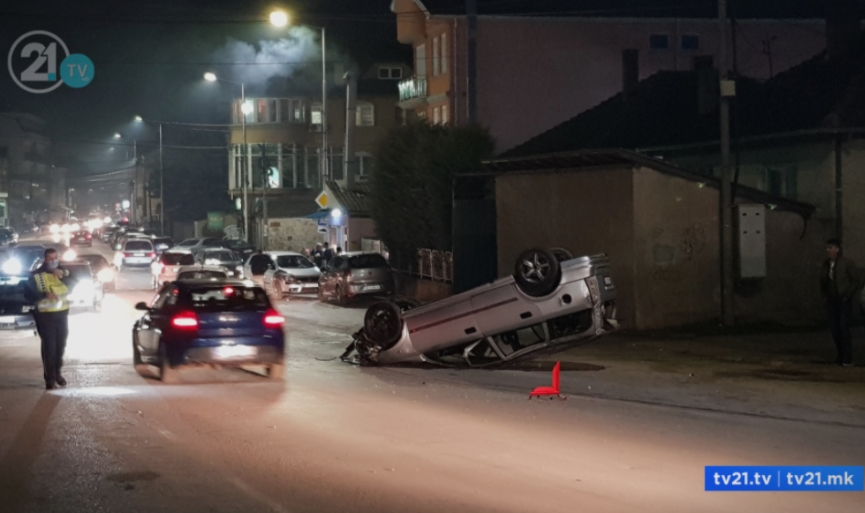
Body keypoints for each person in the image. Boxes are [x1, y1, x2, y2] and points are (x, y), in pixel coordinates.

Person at [26, 248, 71, 389]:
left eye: (55, 258)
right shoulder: (36, 275)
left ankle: (57, 374)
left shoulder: (62, 273)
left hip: (61, 315)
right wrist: (44, 295)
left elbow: (73, 281)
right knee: (50, 347)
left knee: (60, 346)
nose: (54, 261)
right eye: (51, 258)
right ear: (45, 259)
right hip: (45, 316)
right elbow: (28, 294)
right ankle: (50, 378)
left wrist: (60, 274)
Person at [819, 238, 859, 366]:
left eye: (830, 248)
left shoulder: (846, 263)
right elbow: (823, 281)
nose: (828, 250)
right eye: (827, 248)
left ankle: (847, 357)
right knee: (835, 328)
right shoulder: (826, 264)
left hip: (843, 299)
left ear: (837, 249)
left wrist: (847, 295)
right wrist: (825, 295)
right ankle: (840, 355)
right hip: (832, 300)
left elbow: (855, 280)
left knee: (843, 328)